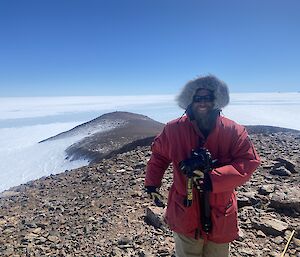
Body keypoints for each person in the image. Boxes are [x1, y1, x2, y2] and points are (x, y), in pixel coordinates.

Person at [144, 75, 260, 257]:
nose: (203, 103)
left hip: (220, 212)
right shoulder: (173, 129)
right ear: (189, 101)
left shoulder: (233, 130)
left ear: (217, 100)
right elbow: (159, 155)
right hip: (185, 210)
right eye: (198, 98)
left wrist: (213, 179)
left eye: (208, 98)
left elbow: (248, 162)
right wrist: (152, 183)